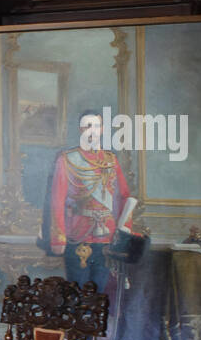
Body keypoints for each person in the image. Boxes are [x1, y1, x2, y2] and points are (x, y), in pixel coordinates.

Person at [39, 109, 138, 289]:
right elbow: (57, 200)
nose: (93, 130)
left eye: (97, 126)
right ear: (81, 130)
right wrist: (58, 238)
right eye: (88, 126)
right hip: (78, 234)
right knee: (77, 293)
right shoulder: (67, 160)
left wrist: (124, 231)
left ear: (102, 129)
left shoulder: (111, 160)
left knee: (99, 294)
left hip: (107, 237)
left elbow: (124, 197)